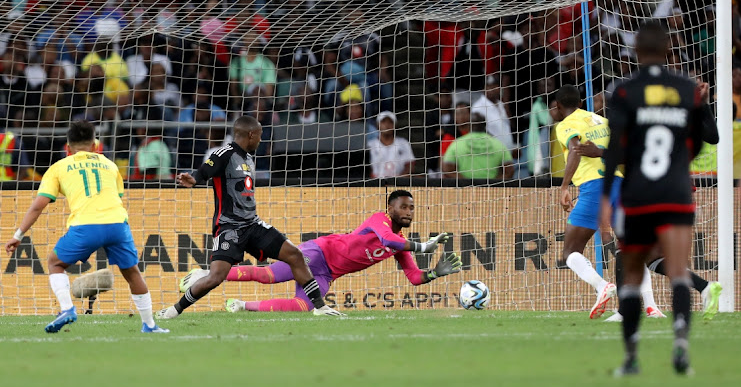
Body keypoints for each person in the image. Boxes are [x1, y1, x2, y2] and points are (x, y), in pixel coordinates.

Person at [599, 22, 709, 376]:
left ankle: (631, 359)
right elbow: (703, 139)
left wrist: (605, 197)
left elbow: (614, 148)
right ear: (668, 50)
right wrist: (679, 165)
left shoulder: (624, 91)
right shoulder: (687, 89)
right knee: (677, 272)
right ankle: (681, 349)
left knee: (632, 274)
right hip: (676, 193)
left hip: (638, 195)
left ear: (635, 52)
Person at [156, 116, 344, 319]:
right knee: (216, 277)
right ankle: (174, 311)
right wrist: (194, 177)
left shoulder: (248, 157)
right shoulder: (225, 153)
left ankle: (320, 307)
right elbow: (207, 168)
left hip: (253, 224)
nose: (261, 141)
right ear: (251, 134)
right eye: (260, 136)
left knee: (295, 255)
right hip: (229, 228)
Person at [575, 78, 723, 322]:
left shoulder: (642, 121)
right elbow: (713, 137)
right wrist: (703, 105)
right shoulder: (679, 117)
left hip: (649, 191)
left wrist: (599, 153)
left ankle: (625, 312)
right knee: (653, 257)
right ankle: (705, 287)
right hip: (678, 192)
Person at [3, 121, 169, 334]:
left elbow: (38, 206)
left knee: (55, 263)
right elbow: (116, 196)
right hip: (117, 224)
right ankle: (150, 325)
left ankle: (67, 309)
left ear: (68, 147)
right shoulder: (109, 165)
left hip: (85, 226)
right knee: (132, 272)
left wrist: (18, 234)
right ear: (94, 145)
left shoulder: (58, 168)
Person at [179, 190, 458, 313]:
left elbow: (413, 277)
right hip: (317, 253)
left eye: (412, 208)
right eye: (403, 207)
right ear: (390, 209)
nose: (408, 212)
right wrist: (425, 246)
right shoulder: (379, 221)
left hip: (329, 272)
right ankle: (206, 273)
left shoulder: (401, 242)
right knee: (269, 276)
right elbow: (388, 239)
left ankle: (242, 306)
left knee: (307, 306)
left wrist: (433, 272)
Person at [555, 84, 620, 319]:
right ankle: (647, 307)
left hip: (595, 186)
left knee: (570, 251)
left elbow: (575, 149)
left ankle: (602, 286)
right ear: (581, 103)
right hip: (621, 183)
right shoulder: (600, 120)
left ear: (558, 106)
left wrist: (564, 186)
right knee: (627, 249)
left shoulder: (566, 124)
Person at [441, 114, 514, 180]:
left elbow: (447, 169)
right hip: (490, 191)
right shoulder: (498, 144)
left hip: (466, 191)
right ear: (485, 125)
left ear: (469, 125)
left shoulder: (457, 144)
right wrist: (494, 184)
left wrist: (466, 183)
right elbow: (509, 171)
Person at [367, 111, 415, 178]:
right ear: (377, 125)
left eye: (390, 122)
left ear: (395, 125)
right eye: (383, 122)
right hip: (375, 183)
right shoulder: (370, 145)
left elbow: (410, 164)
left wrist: (400, 178)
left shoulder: (403, 143)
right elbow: (367, 168)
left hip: (399, 183)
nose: (387, 125)